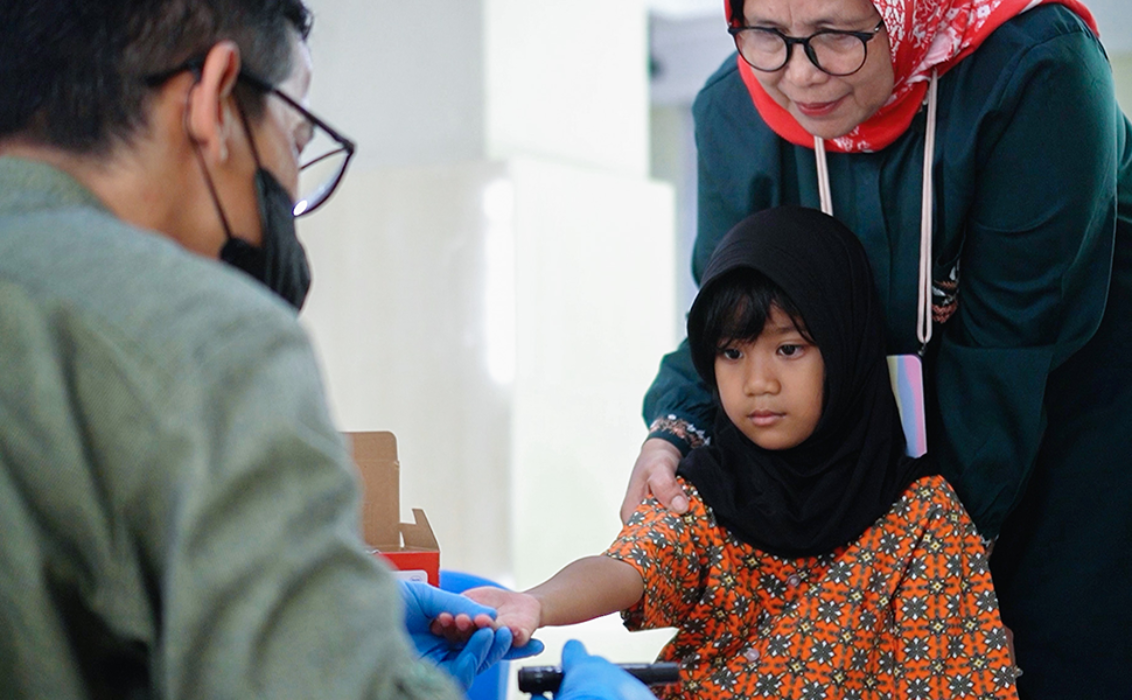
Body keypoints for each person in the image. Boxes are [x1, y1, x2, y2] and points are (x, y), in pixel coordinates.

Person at [0, 1, 650, 698]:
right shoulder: (204, 336)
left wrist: (317, 598)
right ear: (215, 99)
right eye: (297, 135)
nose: (293, 183)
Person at [622, 1, 1132, 695]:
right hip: (890, 441)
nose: (800, 75)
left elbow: (1009, 348)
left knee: (1062, 646)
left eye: (836, 35)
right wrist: (673, 433)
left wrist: (934, 579)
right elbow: (730, 313)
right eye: (767, 33)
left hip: (1077, 401)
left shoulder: (1037, 66)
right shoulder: (734, 109)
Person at [458, 207, 1020, 700]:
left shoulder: (923, 520)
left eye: (789, 348)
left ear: (846, 349)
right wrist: (535, 603)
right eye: (731, 351)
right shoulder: (704, 491)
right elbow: (627, 566)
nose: (758, 382)